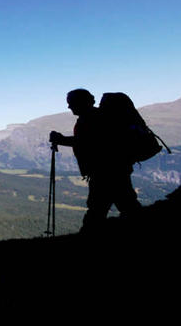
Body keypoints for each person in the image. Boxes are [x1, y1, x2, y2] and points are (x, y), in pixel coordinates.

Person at [50, 88, 141, 233]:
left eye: (71, 103)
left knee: (98, 210)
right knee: (126, 204)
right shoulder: (96, 117)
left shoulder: (92, 118)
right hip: (115, 170)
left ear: (80, 103)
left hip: (106, 173)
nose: (69, 106)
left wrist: (60, 139)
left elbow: (87, 141)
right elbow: (87, 140)